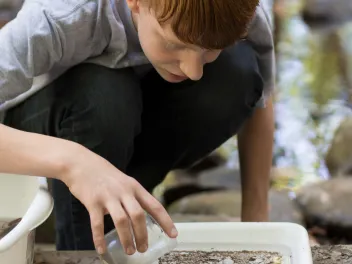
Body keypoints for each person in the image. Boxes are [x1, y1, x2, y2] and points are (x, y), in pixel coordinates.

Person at [0, 0, 275, 257]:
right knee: (104, 95)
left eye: (210, 51)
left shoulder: (237, 8)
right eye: (173, 43)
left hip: (129, 116)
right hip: (37, 128)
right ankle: (83, 251)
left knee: (235, 76)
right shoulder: (64, 14)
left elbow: (261, 96)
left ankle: (129, 209)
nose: (194, 72)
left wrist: (257, 222)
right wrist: (71, 161)